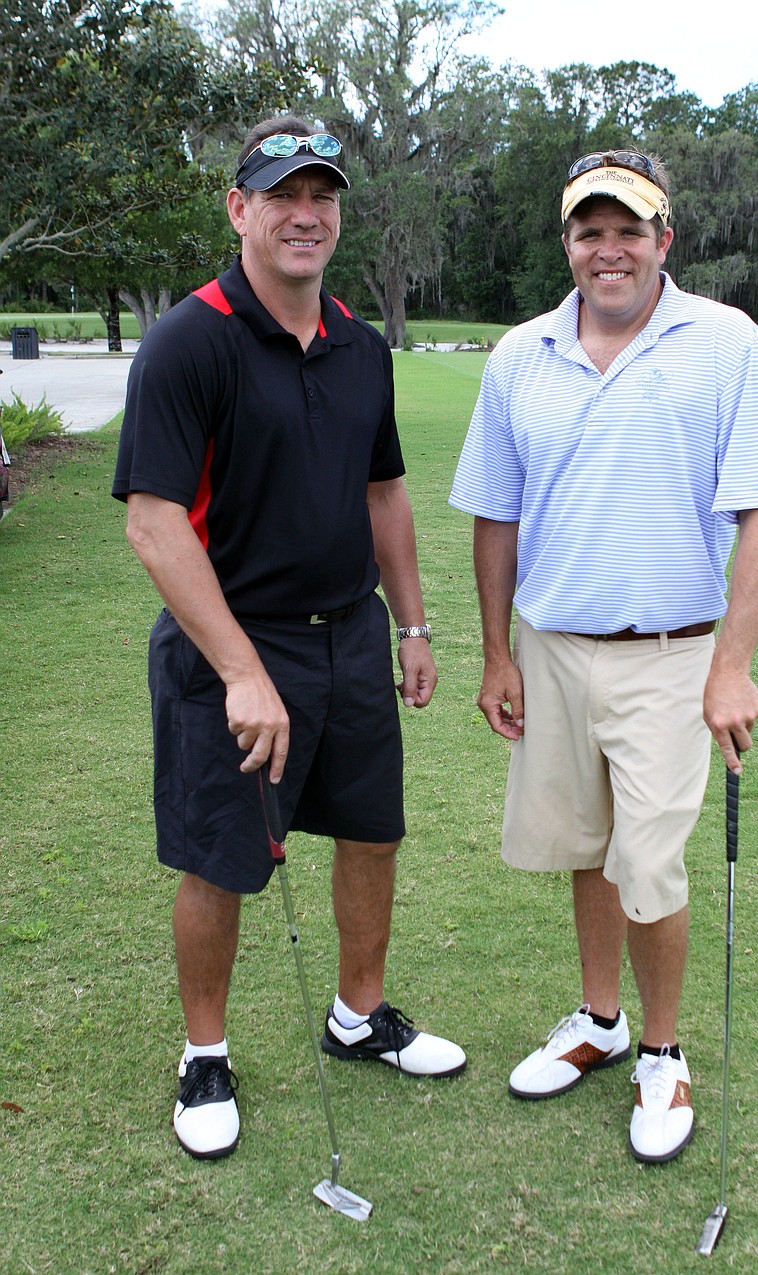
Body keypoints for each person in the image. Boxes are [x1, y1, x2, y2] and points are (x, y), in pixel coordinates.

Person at [113, 115, 466, 1161]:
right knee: (220, 861)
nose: (305, 215)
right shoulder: (191, 340)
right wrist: (241, 672)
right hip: (231, 644)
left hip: (349, 635)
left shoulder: (359, 346)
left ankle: (358, 1016)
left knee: (372, 832)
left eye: (322, 196)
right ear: (240, 209)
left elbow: (384, 491)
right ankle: (204, 1056)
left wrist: (412, 623)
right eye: (283, 196)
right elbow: (154, 523)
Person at [449, 149, 758, 1163]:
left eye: (628, 230)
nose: (608, 250)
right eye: (589, 231)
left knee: (647, 860)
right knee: (586, 844)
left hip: (672, 653)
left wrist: (732, 665)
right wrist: (496, 654)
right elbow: (495, 513)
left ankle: (661, 1050)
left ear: (663, 238)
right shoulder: (520, 354)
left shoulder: (726, 343)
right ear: (567, 242)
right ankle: (601, 1020)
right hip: (551, 645)